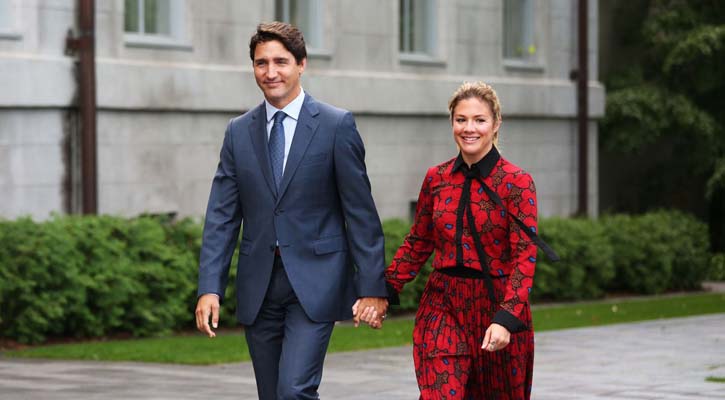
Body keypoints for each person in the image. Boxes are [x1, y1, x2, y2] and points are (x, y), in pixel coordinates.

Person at [195, 21, 389, 400]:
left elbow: (361, 214)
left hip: (315, 284)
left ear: (301, 64)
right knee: (272, 395)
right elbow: (221, 217)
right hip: (259, 286)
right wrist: (209, 288)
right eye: (261, 63)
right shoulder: (238, 132)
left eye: (280, 62)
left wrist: (372, 289)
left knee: (294, 391)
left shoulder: (336, 126)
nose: (270, 72)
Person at [356, 81, 557, 399]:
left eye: (479, 120)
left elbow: (524, 257)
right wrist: (383, 291)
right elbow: (418, 242)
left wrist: (507, 317)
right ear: (452, 123)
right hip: (443, 303)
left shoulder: (517, 183)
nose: (469, 128)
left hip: (496, 305)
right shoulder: (436, 178)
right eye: (461, 119)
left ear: (496, 124)